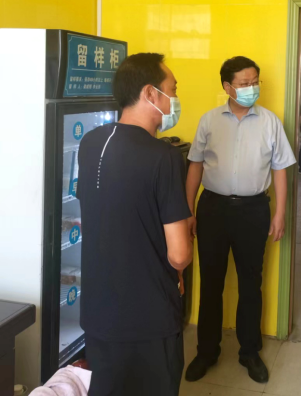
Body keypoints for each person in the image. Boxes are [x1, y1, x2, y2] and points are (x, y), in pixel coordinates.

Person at [77, 53, 193, 396]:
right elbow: (179, 254)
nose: (174, 100)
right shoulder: (164, 157)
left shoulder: (90, 143)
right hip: (149, 317)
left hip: (98, 311)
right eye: (172, 90)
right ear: (150, 93)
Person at [185, 56, 296, 384]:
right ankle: (206, 351)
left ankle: (250, 352)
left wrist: (280, 213)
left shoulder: (270, 122)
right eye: (245, 83)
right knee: (211, 283)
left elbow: (280, 169)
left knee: (251, 283)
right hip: (213, 210)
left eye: (255, 82)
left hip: (253, 211)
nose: (252, 88)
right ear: (227, 86)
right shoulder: (209, 120)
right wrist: (188, 211)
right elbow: (195, 165)